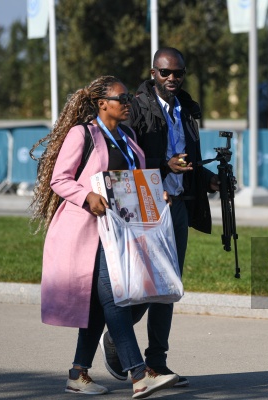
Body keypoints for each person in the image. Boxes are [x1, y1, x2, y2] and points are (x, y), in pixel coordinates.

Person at [30, 75, 178, 398]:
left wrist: (156, 194)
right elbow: (59, 179)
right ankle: (139, 375)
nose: (129, 104)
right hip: (87, 233)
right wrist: (86, 196)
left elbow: (133, 183)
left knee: (101, 306)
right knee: (112, 297)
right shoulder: (82, 134)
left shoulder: (128, 137)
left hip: (119, 234)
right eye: (122, 99)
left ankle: (77, 373)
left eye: (129, 99)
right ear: (102, 104)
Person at [99, 48, 219, 387]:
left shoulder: (187, 107)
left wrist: (207, 179)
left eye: (178, 73)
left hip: (178, 204)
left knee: (168, 286)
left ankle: (157, 363)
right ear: (153, 72)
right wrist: (163, 166)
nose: (172, 79)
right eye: (165, 73)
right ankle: (117, 336)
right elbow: (128, 157)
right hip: (146, 206)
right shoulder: (136, 107)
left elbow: (189, 157)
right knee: (147, 282)